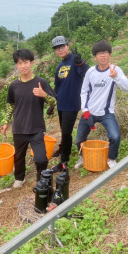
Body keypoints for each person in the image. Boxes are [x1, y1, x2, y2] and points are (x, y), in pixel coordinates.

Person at [1, 49, 57, 188]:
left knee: (41, 158)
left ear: (32, 62)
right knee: (19, 157)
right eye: (19, 63)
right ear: (16, 65)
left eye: (25, 62)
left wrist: (44, 95)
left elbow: (55, 102)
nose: (23, 66)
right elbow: (10, 104)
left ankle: (41, 179)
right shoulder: (13, 85)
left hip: (36, 127)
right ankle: (19, 178)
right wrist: (6, 122)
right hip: (19, 128)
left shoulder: (40, 82)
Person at [76, 41, 128, 169]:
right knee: (79, 138)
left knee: (115, 136)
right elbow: (84, 91)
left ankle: (111, 159)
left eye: (105, 53)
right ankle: (82, 157)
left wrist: (116, 77)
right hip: (90, 112)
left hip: (107, 113)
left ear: (110, 55)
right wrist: (85, 110)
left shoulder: (116, 70)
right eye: (99, 53)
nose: (103, 56)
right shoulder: (90, 72)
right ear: (95, 57)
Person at [50, 36, 90, 172]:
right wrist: (52, 103)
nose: (60, 49)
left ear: (67, 46)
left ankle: (64, 161)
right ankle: (63, 149)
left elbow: (87, 73)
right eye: (57, 48)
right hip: (61, 103)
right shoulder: (60, 66)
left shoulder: (75, 60)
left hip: (71, 103)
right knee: (64, 130)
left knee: (67, 132)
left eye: (62, 46)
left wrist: (81, 63)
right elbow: (57, 86)